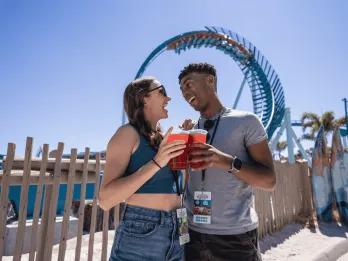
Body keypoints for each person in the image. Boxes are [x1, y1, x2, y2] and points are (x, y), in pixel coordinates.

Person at [179, 63, 276, 261]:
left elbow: (269, 181)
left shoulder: (246, 121)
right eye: (181, 89)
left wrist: (226, 162)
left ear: (210, 80)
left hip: (235, 238)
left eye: (188, 84)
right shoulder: (189, 132)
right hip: (192, 234)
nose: (184, 92)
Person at [98, 76, 187, 261]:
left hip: (179, 229)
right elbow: (105, 200)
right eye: (162, 91)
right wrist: (156, 162)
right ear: (144, 98)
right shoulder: (127, 134)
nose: (168, 98)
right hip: (143, 232)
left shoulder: (163, 139)